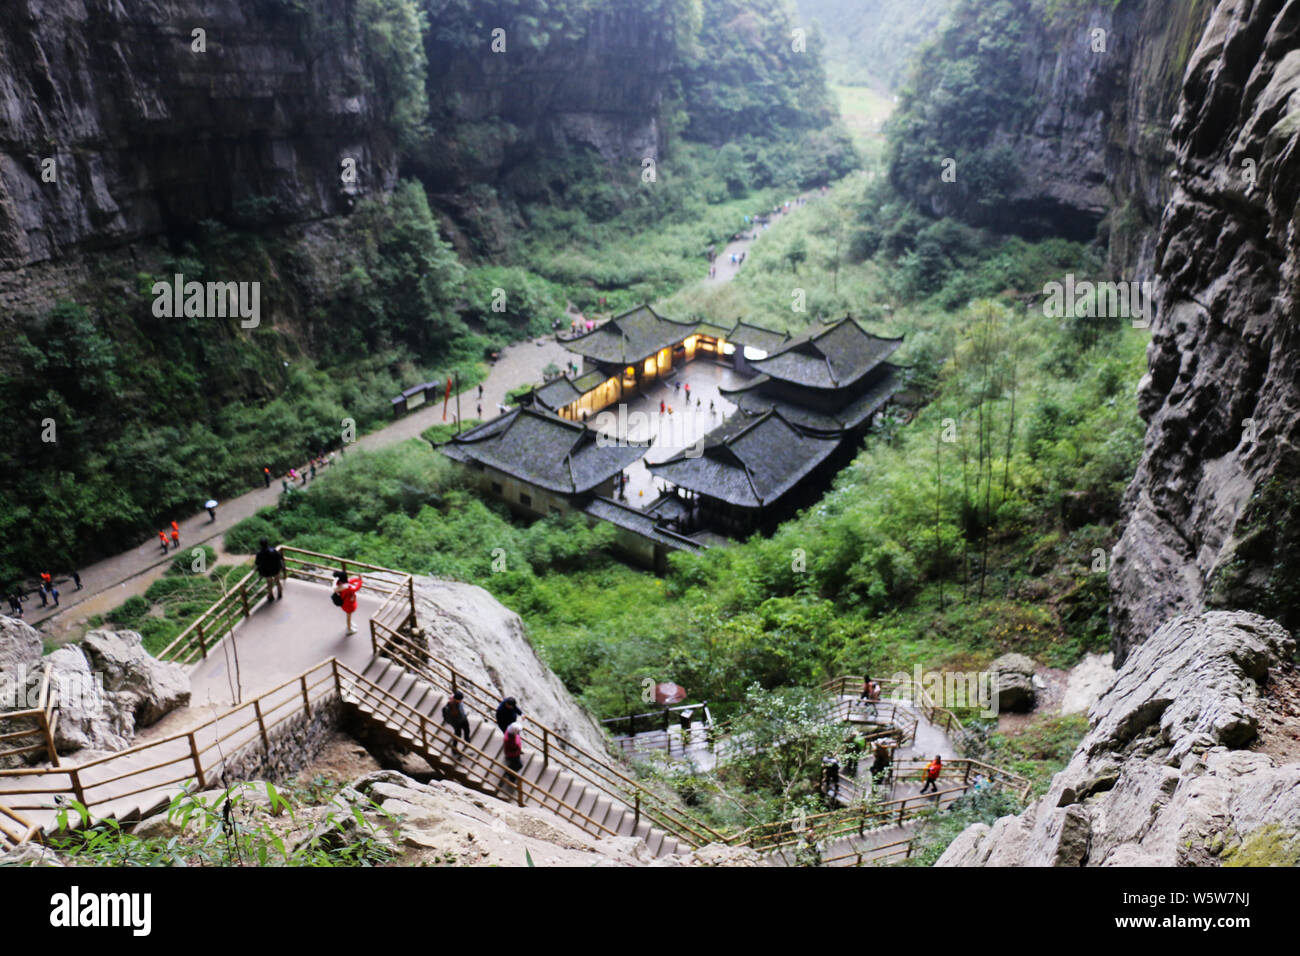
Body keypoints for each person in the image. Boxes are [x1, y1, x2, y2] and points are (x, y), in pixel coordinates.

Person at [332, 569, 363, 634]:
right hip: (348, 604)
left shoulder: (340, 583)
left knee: (349, 615)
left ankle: (350, 623)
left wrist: (358, 579)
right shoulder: (346, 587)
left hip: (345, 603)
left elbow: (350, 581)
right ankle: (349, 629)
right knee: (348, 616)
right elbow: (356, 588)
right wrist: (360, 580)